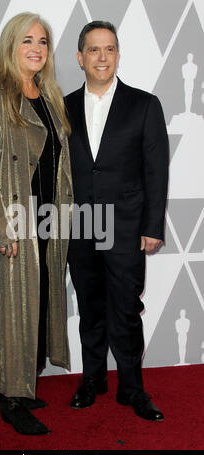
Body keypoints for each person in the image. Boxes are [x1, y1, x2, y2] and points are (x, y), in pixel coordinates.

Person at [0, 12, 73, 435]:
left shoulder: (48, 94)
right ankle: (11, 398)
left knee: (35, 302)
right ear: (11, 45)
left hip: (44, 216)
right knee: (10, 306)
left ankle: (19, 382)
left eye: (43, 41)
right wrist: (2, 225)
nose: (36, 49)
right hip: (9, 216)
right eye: (27, 40)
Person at [65, 21, 169, 421]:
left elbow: (156, 169)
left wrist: (152, 227)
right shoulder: (63, 105)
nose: (102, 56)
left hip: (125, 224)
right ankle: (92, 380)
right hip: (80, 222)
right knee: (90, 306)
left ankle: (132, 388)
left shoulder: (144, 104)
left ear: (118, 54)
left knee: (125, 307)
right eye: (94, 50)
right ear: (80, 57)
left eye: (109, 49)